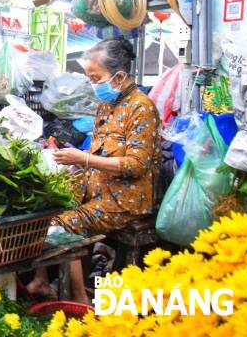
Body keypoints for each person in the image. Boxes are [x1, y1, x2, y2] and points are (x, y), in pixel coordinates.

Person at [28, 37, 162, 304]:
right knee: (41, 208)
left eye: (96, 77)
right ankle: (41, 281)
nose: (93, 84)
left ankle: (79, 299)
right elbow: (101, 154)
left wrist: (85, 160)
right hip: (97, 187)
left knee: (60, 224)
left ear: (120, 75)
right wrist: (76, 160)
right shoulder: (106, 105)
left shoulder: (142, 108)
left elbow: (136, 166)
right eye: (90, 78)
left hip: (126, 199)